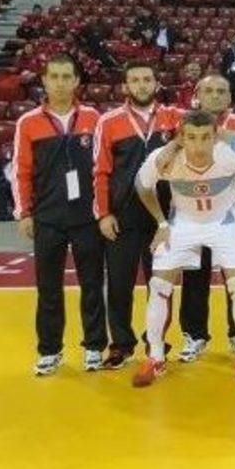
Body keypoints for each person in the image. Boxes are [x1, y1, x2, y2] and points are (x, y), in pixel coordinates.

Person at [130, 111, 235, 387]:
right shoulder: (164, 159)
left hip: (225, 221)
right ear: (181, 137)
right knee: (158, 285)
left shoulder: (231, 153)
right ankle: (155, 356)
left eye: (206, 137)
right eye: (191, 137)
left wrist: (227, 134)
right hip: (184, 222)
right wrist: (161, 223)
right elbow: (142, 186)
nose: (199, 145)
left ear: (215, 137)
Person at [12, 54, 106, 376]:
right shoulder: (28, 122)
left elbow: (103, 168)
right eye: (55, 76)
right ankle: (50, 350)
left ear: (77, 81)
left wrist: (104, 210)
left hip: (87, 216)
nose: (61, 83)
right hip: (47, 217)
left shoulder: (94, 118)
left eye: (67, 77)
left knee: (92, 283)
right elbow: (21, 171)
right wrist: (24, 213)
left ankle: (94, 346)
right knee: (48, 287)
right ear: (44, 80)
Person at [92, 63, 181, 369]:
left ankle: (156, 341)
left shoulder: (173, 118)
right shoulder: (109, 122)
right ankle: (121, 344)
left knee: (162, 285)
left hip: (162, 218)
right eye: (135, 80)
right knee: (119, 285)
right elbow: (100, 172)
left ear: (156, 84)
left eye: (147, 79)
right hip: (123, 218)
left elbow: (210, 123)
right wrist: (104, 214)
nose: (141, 85)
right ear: (125, 86)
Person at [175, 74, 235, 359]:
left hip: (232, 209)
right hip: (193, 209)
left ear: (230, 97)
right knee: (194, 274)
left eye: (221, 91)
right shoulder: (182, 123)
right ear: (197, 95)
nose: (215, 95)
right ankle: (195, 335)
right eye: (208, 90)